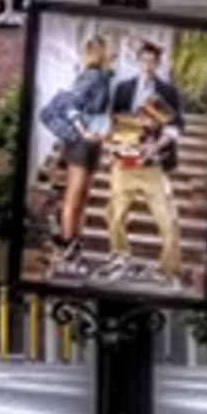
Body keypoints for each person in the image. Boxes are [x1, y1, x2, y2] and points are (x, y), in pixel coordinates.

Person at [99, 39, 188, 281]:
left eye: (152, 60)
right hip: (124, 163)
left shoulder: (168, 92)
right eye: (144, 60)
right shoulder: (124, 88)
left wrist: (157, 145)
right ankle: (120, 253)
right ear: (138, 61)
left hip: (153, 165)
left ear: (158, 63)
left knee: (167, 220)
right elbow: (113, 121)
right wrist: (111, 148)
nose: (148, 64)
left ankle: (167, 268)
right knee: (113, 215)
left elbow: (177, 125)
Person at [37, 30, 119, 251]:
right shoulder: (92, 76)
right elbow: (71, 106)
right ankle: (67, 239)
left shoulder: (104, 78)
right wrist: (83, 131)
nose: (114, 52)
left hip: (93, 143)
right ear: (100, 53)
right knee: (75, 194)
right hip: (81, 144)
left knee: (83, 196)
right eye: (110, 48)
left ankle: (76, 241)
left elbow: (97, 112)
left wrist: (105, 131)